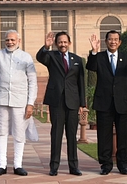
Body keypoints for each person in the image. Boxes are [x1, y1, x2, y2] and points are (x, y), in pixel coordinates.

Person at [0, 25, 38, 177]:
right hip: (1, 99)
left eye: (13, 40)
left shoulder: (26, 57)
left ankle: (18, 165)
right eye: (7, 40)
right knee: (1, 132)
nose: (10, 42)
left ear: (19, 40)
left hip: (20, 100)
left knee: (19, 133)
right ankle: (2, 165)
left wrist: (30, 103)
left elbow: (32, 81)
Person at [36, 31, 85, 176]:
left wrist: (82, 103)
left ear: (69, 43)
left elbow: (81, 82)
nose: (62, 44)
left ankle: (74, 166)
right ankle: (54, 167)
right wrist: (46, 46)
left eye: (65, 42)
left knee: (72, 135)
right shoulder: (51, 56)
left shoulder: (77, 59)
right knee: (56, 134)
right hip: (56, 100)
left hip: (73, 101)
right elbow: (40, 57)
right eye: (60, 42)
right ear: (56, 44)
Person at [87, 31, 127, 175]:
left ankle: (123, 164)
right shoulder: (99, 57)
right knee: (104, 135)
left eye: (116, 39)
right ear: (106, 41)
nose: (113, 42)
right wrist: (94, 52)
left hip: (122, 102)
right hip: (104, 102)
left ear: (119, 42)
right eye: (110, 39)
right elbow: (90, 67)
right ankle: (105, 164)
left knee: (124, 135)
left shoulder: (126, 58)